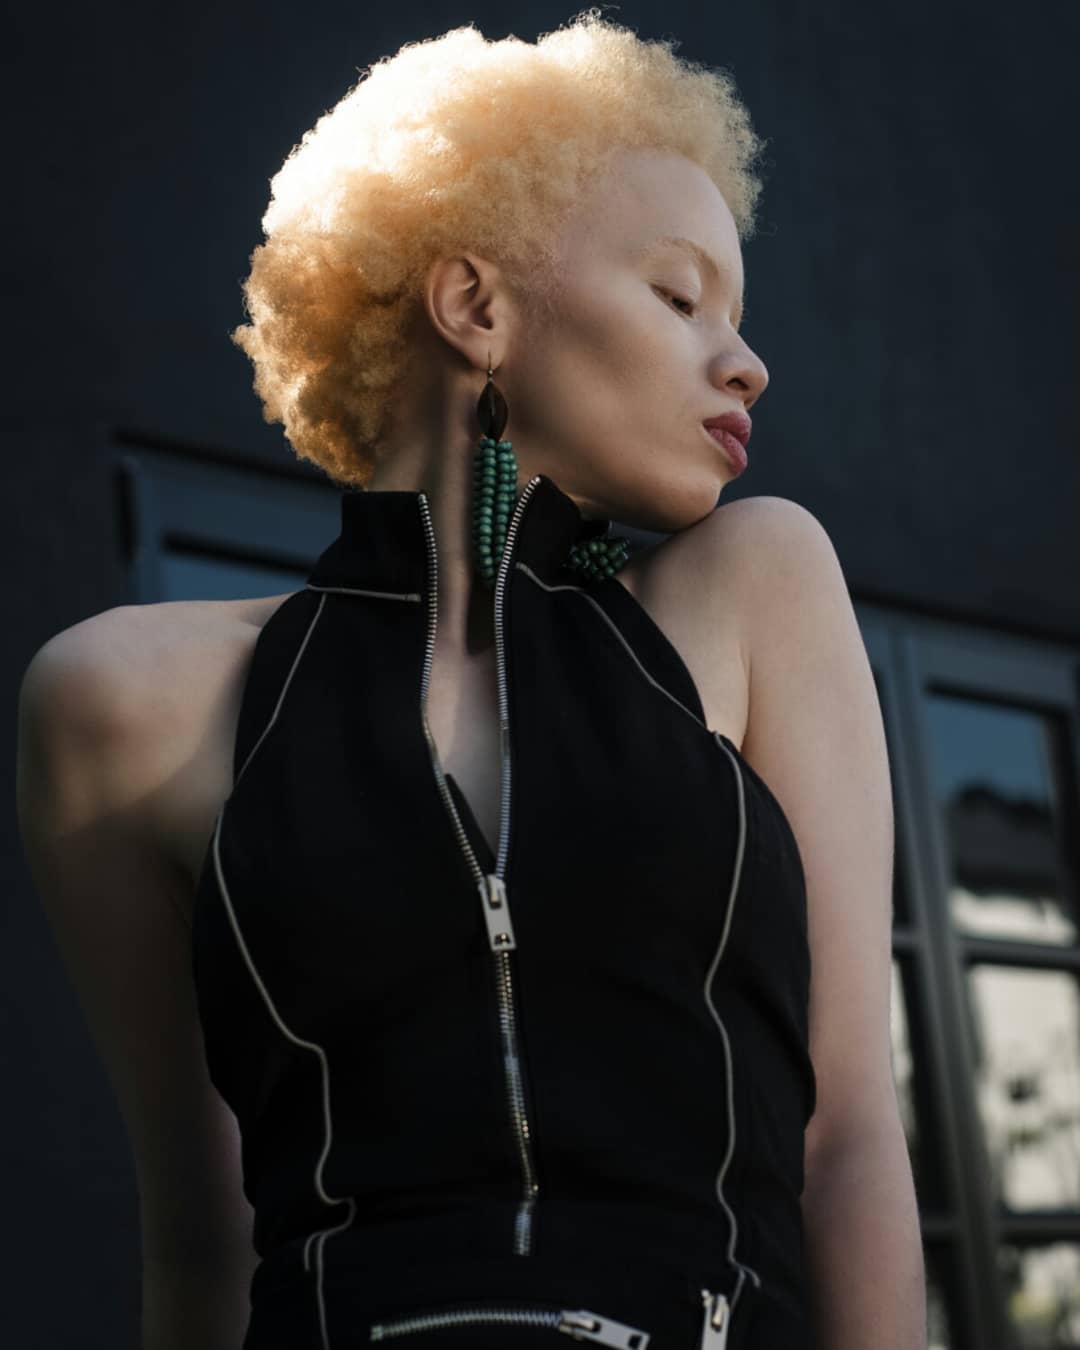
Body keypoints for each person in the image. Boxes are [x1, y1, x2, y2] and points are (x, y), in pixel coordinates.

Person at [18, 9, 923, 1350]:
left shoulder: (757, 593)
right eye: (681, 298)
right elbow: (201, 1252)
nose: (747, 362)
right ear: (475, 307)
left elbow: (847, 1137)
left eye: (735, 319)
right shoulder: (122, 704)